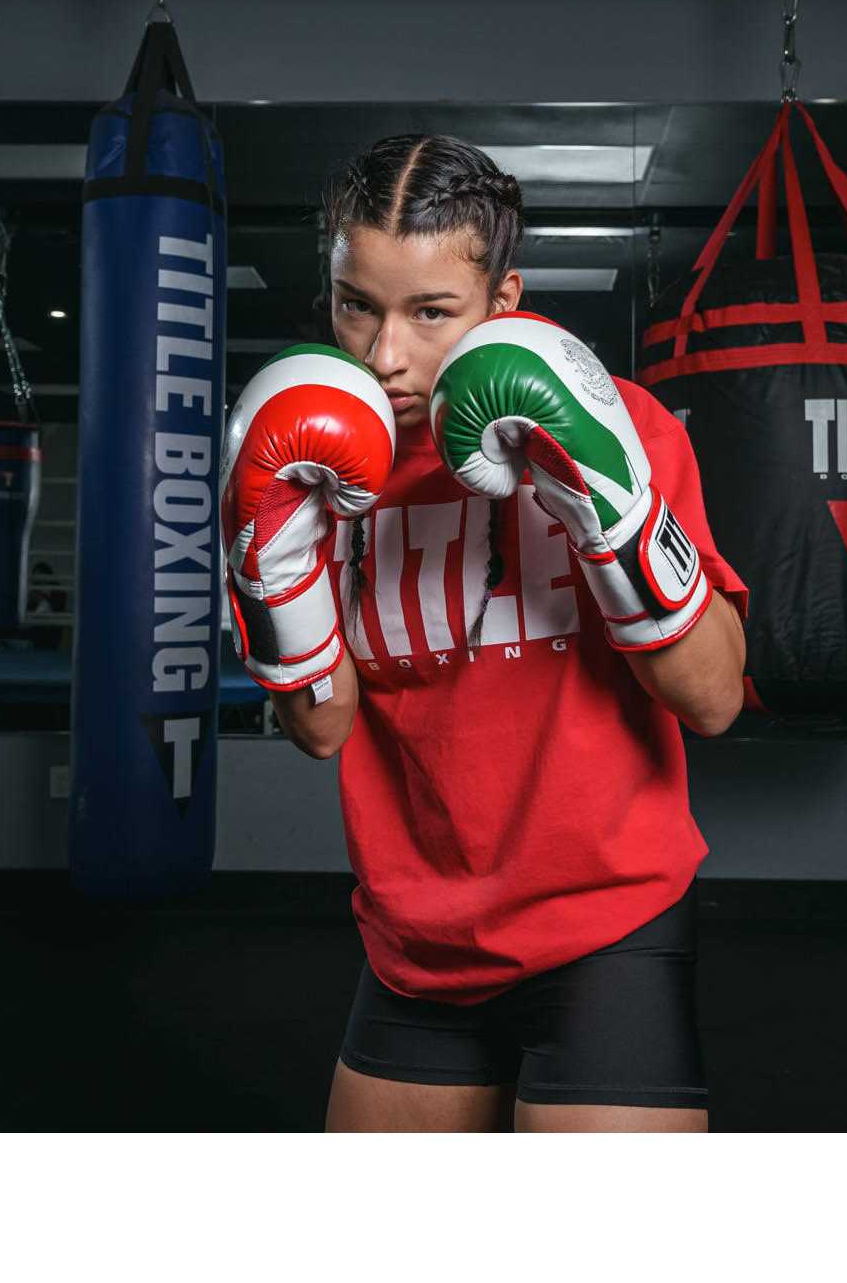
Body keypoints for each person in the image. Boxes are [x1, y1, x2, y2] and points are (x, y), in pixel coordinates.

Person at [221, 135, 747, 1132]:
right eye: (356, 305)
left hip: (606, 927)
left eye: (430, 312)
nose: (385, 355)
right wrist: (267, 566)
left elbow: (715, 701)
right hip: (415, 938)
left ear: (504, 301)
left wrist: (611, 508)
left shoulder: (621, 422)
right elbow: (321, 729)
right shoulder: (311, 464)